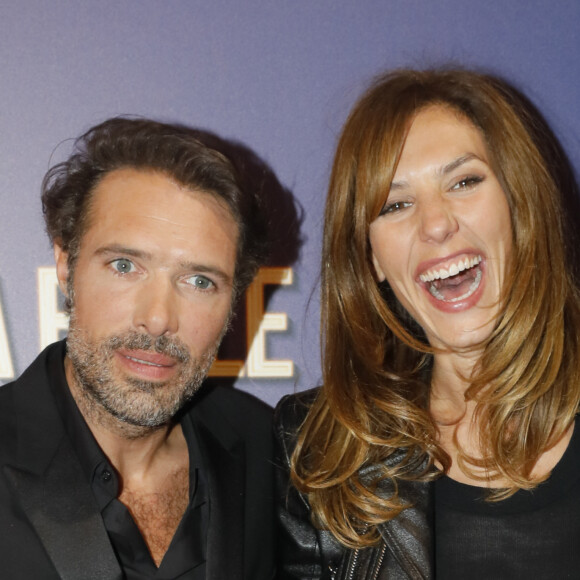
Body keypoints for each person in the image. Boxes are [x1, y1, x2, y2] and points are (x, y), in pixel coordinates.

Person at [274, 69, 580, 579]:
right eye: (395, 204)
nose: (436, 224)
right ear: (371, 258)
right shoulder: (319, 454)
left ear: (520, 205)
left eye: (464, 181)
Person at [0, 118, 275, 579]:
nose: (159, 317)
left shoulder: (269, 451)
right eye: (125, 265)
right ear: (66, 264)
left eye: (199, 280)